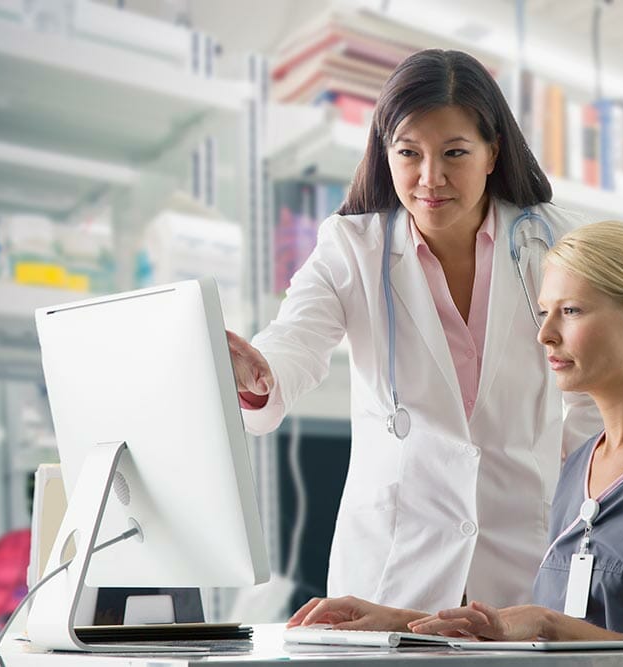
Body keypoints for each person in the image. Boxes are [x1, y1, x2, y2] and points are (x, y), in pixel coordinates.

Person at [286, 221, 623, 649]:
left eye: (570, 311)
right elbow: (550, 641)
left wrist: (547, 624)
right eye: (543, 312)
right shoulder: (578, 467)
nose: (544, 334)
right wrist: (402, 625)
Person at [227, 48, 601, 613]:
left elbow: (596, 385)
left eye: (455, 152)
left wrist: (584, 487)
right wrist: (259, 372)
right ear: (386, 152)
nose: (431, 178)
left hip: (527, 553)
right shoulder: (354, 247)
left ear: (493, 152)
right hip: (396, 565)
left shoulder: (555, 242)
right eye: (409, 153)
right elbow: (295, 338)